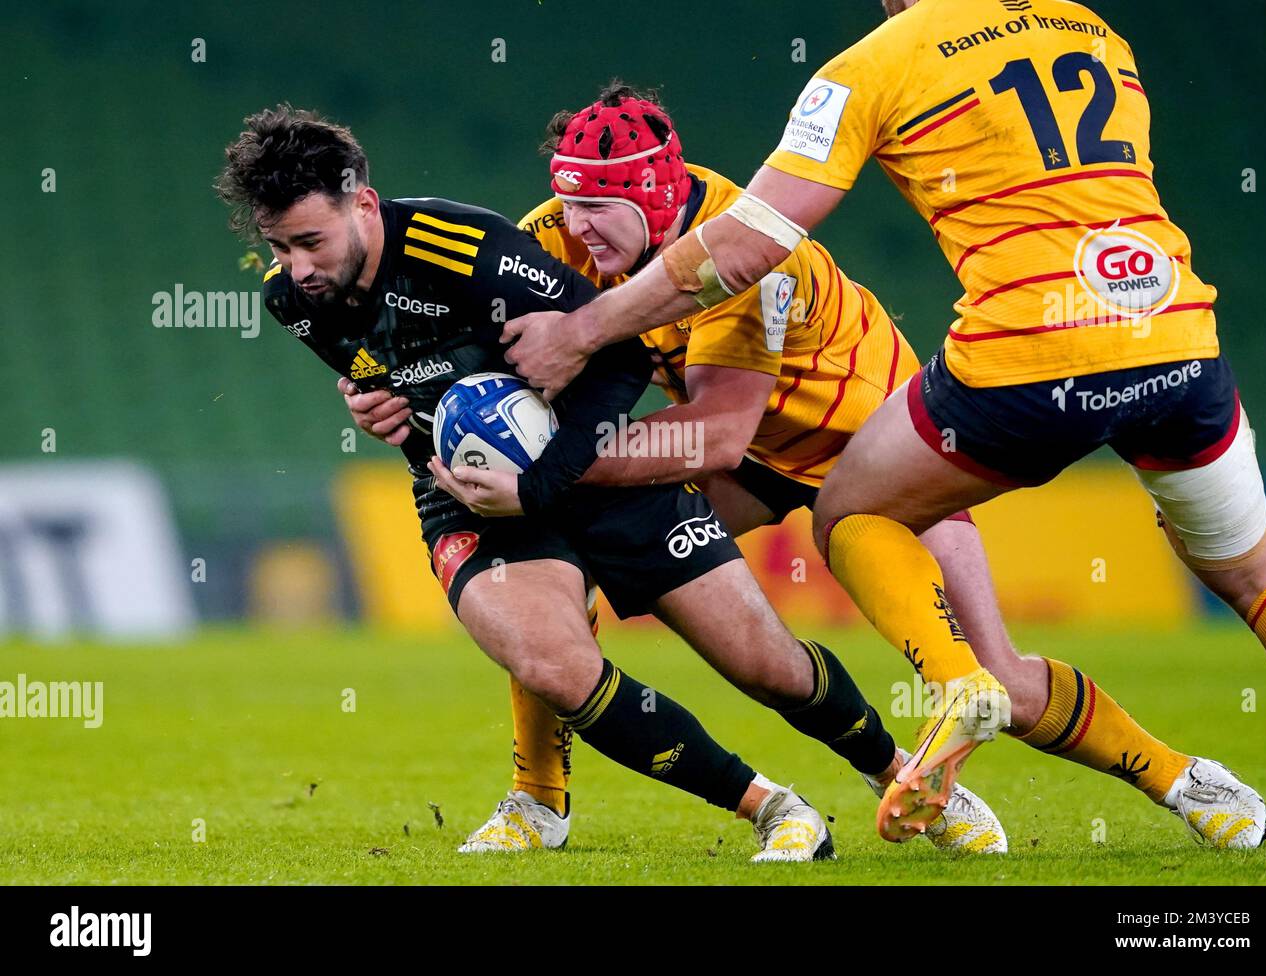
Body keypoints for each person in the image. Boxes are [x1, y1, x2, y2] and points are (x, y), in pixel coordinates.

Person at [347, 82, 1266, 850]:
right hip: (750, 456)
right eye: (571, 200)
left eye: (603, 206)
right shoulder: (547, 238)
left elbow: (706, 434)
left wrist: (554, 468)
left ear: (661, 195)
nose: (579, 227)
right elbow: (475, 352)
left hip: (889, 453)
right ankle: (537, 799)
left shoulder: (741, 251)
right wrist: (392, 393)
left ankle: (1188, 784)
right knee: (558, 575)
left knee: (996, 679)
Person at [216, 103, 984, 863]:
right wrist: (375, 404)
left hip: (596, 460)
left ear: (363, 205)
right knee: (553, 661)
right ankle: (762, 808)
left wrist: (548, 475)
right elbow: (378, 378)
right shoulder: (294, 300)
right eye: (282, 248)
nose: (300, 268)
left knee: (765, 663)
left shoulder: (469, 246)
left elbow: (623, 363)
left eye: (311, 242)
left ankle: (906, 776)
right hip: (470, 496)